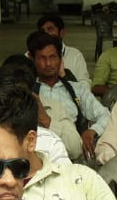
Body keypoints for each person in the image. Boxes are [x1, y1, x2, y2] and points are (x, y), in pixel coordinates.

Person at [29, 31, 110, 161]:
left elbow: (105, 115)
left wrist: (92, 131)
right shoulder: (28, 92)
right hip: (38, 155)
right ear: (33, 60)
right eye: (42, 58)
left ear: (61, 59)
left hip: (73, 154)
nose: (48, 63)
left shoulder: (77, 89)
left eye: (53, 57)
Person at [33, 13, 90, 87]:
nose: (46, 34)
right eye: (42, 31)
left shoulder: (75, 55)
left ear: (62, 33)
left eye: (50, 29)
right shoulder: (32, 55)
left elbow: (85, 85)